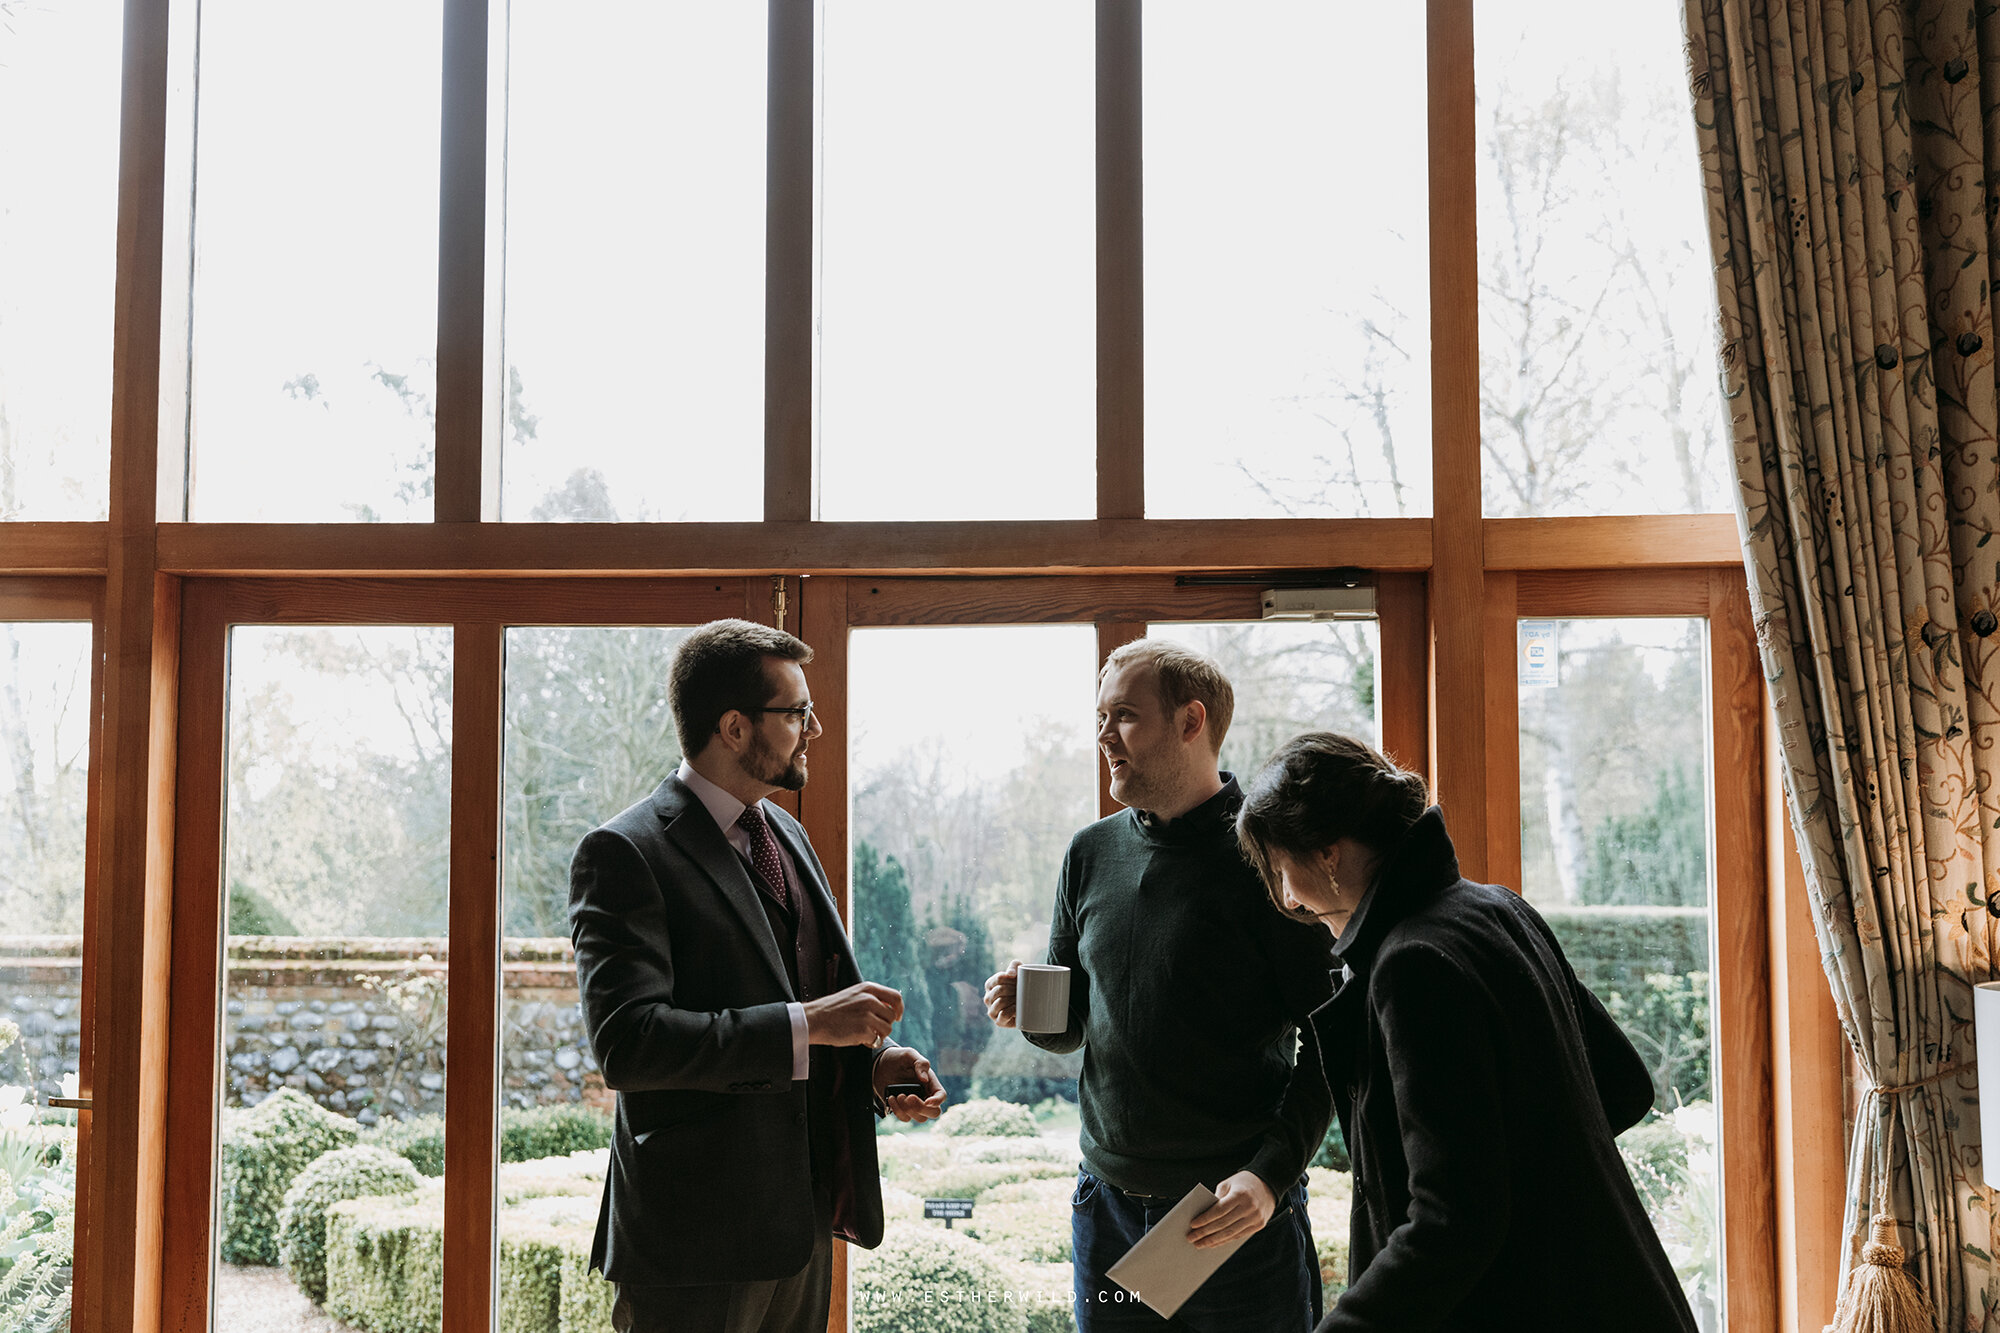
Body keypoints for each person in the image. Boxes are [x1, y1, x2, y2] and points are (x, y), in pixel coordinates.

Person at [1234, 731, 1699, 1333]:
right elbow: (1626, 1086)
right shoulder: (1498, 907)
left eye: (1279, 868)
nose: (1289, 899)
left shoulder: (1412, 964)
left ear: (1328, 853)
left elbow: (1455, 1220)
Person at [569, 618, 946, 1333]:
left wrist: (869, 1063)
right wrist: (811, 1025)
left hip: (799, 1228)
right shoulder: (624, 852)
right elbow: (629, 1044)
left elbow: (794, 994)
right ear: (736, 727)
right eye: (797, 712)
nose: (815, 728)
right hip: (693, 1245)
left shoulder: (787, 834)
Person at [983, 638, 1334, 1332]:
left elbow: (1333, 1045)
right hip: (1106, 1210)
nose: (1104, 736)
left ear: (1190, 722)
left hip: (1229, 1218)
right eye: (1100, 717)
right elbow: (1071, 1027)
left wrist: (1269, 1177)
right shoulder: (1088, 852)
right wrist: (1032, 1008)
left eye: (1124, 716)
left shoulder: (1270, 861)